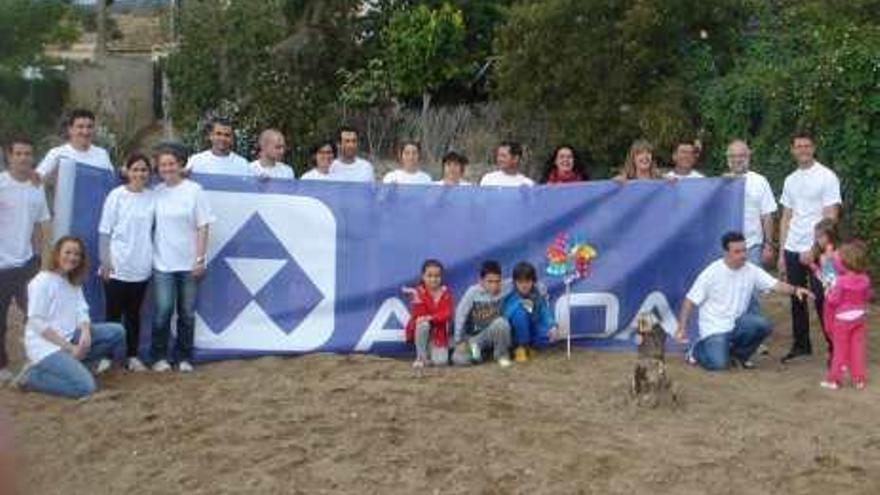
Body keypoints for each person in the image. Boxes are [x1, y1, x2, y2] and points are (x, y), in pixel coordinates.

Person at [675, 231, 813, 371]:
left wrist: (796, 290)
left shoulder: (751, 270)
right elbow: (689, 300)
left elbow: (775, 284)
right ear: (726, 253)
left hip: (737, 324)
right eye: (737, 252)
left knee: (762, 325)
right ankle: (696, 351)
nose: (743, 255)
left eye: (744, 250)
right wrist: (681, 328)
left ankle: (738, 356)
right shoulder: (711, 273)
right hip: (714, 328)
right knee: (719, 365)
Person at [17, 236, 125, 399]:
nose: (72, 257)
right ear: (57, 254)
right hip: (46, 347)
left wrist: (86, 332)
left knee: (117, 332)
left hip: (70, 336)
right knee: (85, 387)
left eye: (77, 254)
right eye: (68, 252)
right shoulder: (42, 281)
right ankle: (31, 377)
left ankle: (76, 367)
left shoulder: (72, 281)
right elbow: (36, 322)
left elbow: (82, 310)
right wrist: (69, 348)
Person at [777, 130, 842, 363]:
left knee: (826, 299)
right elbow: (786, 216)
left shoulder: (827, 177)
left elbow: (831, 217)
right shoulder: (790, 180)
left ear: (813, 148)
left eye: (807, 145)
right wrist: (783, 253)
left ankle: (836, 348)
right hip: (793, 248)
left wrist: (814, 249)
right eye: (798, 146)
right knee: (797, 298)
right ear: (793, 150)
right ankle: (801, 345)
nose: (803, 149)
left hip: (821, 253)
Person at [151, 145, 215, 373]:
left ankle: (183, 357)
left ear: (180, 165)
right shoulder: (155, 192)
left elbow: (203, 225)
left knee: (187, 313)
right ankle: (159, 356)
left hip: (189, 264)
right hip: (162, 264)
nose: (167, 168)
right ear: (157, 168)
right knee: (163, 311)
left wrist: (199, 258)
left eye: (171, 163)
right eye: (163, 165)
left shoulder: (195, 190)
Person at [97, 152, 155, 372]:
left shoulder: (153, 197)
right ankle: (107, 357)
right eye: (135, 169)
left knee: (133, 315)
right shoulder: (116, 195)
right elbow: (104, 230)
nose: (139, 173)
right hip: (116, 266)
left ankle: (132, 356)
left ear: (149, 173)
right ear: (127, 172)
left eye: (144, 170)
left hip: (141, 267)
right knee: (112, 315)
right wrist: (105, 261)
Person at [0, 136, 50, 382]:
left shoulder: (36, 186)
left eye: (28, 154)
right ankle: (2, 365)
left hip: (28, 263)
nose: (23, 158)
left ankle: (37, 358)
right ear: (9, 156)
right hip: (1, 264)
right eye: (18, 153)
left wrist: (39, 257)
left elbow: (41, 223)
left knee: (36, 314)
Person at [35, 109, 114, 239]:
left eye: (89, 127)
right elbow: (36, 182)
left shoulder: (102, 155)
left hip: (95, 223)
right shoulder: (57, 153)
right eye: (80, 127)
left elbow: (111, 187)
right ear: (70, 129)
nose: (85, 131)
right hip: (65, 223)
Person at [820, 241, 872, 390]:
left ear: (845, 262)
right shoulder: (865, 279)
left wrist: (828, 292)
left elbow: (833, 300)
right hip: (859, 318)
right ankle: (858, 379)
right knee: (857, 349)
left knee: (840, 351)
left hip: (842, 320)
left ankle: (834, 380)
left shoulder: (841, 281)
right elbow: (866, 296)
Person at [725, 140, 777, 267]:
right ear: (728, 159)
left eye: (741, 155)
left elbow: (767, 215)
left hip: (753, 246)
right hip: (727, 247)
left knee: (753, 286)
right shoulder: (720, 183)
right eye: (733, 156)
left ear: (748, 157)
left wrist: (768, 245)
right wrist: (674, 185)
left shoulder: (760, 181)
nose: (737, 159)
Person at [452, 261, 513, 367]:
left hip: (493, 332)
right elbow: (460, 314)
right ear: (481, 281)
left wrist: (541, 289)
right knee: (460, 360)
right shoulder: (472, 292)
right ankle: (479, 355)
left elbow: (523, 280)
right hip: (474, 340)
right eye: (490, 282)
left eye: (497, 281)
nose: (494, 285)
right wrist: (458, 341)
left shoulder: (506, 287)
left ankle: (501, 356)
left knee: (501, 323)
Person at [502, 262, 559, 362]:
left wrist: (552, 325)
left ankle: (530, 346)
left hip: (532, 328)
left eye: (527, 281)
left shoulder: (537, 293)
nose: (524, 285)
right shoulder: (508, 294)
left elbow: (544, 311)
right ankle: (520, 348)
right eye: (520, 282)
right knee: (520, 313)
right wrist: (521, 304)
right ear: (515, 282)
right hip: (514, 333)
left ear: (533, 281)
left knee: (548, 335)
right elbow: (506, 315)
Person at [403, 259, 453, 368]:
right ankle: (420, 357)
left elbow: (447, 314)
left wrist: (430, 317)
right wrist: (430, 317)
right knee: (422, 324)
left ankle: (429, 355)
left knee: (441, 362)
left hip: (439, 335)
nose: (433, 279)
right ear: (423, 276)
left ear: (441, 277)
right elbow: (418, 316)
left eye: (437, 276)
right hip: (423, 333)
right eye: (429, 276)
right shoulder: (418, 292)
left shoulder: (446, 292)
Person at [185, 117, 252, 176]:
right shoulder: (196, 161)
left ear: (232, 139)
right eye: (218, 134)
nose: (222, 138)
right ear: (210, 136)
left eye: (227, 135)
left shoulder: (242, 164)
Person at [809, 218, 841, 290]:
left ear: (830, 235)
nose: (818, 240)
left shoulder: (839, 253)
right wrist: (813, 267)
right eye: (816, 237)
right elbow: (824, 278)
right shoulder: (821, 256)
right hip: (829, 293)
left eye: (820, 237)